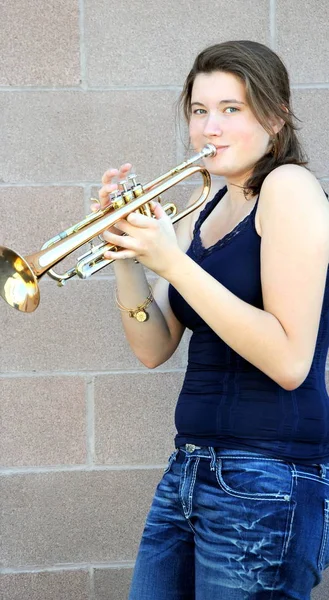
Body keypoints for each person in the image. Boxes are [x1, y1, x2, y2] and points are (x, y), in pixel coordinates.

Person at [94, 40, 329, 599]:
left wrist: (172, 261)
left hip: (268, 476)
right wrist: (127, 256)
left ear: (275, 118)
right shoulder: (202, 210)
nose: (209, 129)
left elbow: (291, 360)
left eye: (231, 110)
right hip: (189, 469)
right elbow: (153, 346)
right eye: (199, 111)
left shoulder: (290, 190)